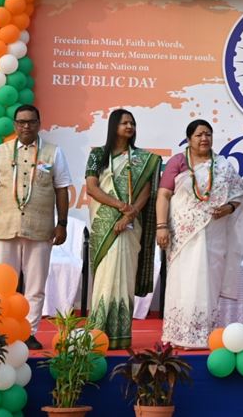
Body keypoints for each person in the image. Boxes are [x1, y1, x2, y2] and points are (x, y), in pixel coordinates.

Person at [156, 119, 243, 349]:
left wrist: (228, 208)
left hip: (214, 234)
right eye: (199, 135)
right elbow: (163, 195)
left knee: (207, 282)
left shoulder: (222, 165)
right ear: (189, 139)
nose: (204, 139)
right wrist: (161, 226)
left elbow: (241, 197)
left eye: (208, 134)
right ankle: (178, 334)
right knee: (183, 281)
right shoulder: (178, 162)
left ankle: (204, 334)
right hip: (183, 235)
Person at [0, 104, 71, 349]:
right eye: (21, 122)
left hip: (40, 229)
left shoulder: (54, 152)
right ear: (15, 125)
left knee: (35, 286)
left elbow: (62, 190)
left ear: (39, 124)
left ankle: (29, 332)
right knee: (2, 284)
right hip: (6, 228)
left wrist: (62, 223)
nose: (26, 126)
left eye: (31, 121)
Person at [83, 109, 160, 349]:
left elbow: (146, 191)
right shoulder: (98, 154)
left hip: (130, 225)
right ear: (113, 126)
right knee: (105, 274)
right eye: (125, 122)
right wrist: (120, 206)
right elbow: (92, 188)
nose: (129, 127)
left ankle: (119, 335)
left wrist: (129, 215)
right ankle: (97, 332)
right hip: (105, 223)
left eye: (132, 123)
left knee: (124, 276)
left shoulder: (141, 159)